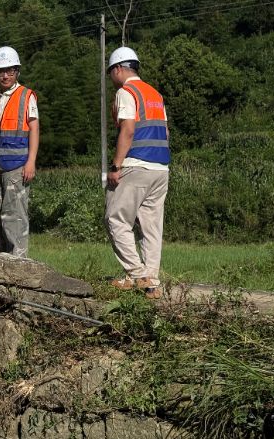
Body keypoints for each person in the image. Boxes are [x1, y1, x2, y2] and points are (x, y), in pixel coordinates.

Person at [104, 47, 170, 299]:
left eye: (111, 72)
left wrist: (116, 165)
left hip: (136, 165)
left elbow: (128, 129)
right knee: (151, 226)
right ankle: (151, 282)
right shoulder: (155, 94)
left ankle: (136, 275)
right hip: (161, 168)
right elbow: (165, 132)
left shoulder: (126, 92)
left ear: (118, 69)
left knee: (116, 219)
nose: (111, 78)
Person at [0, 46, 40, 257]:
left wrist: (31, 161)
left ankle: (19, 262)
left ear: (17, 71)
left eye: (10, 70)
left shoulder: (26, 96)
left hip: (17, 166)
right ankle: (2, 259)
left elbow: (35, 129)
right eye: (0, 71)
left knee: (15, 216)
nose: (5, 75)